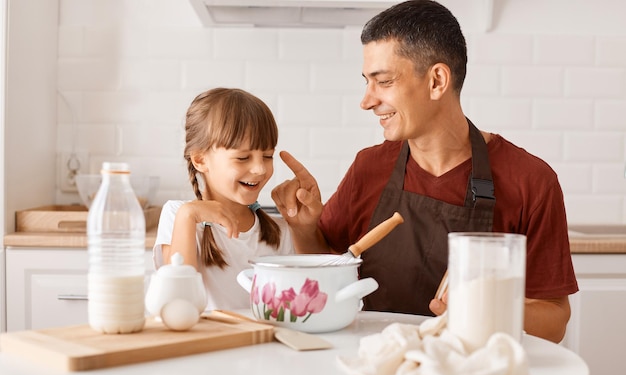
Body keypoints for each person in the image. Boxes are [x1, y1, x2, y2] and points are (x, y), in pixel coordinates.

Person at [271, 0, 577, 343]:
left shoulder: (530, 181)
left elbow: (553, 322)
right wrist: (304, 227)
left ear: (436, 81)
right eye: (367, 82)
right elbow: (328, 273)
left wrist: (485, 304)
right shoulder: (368, 167)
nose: (367, 100)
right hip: (369, 368)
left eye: (383, 81)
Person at [154, 87, 294, 310]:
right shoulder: (180, 216)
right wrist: (189, 215)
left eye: (267, 156)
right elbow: (179, 303)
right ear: (200, 159)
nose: (259, 169)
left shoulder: (280, 233)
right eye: (242, 158)